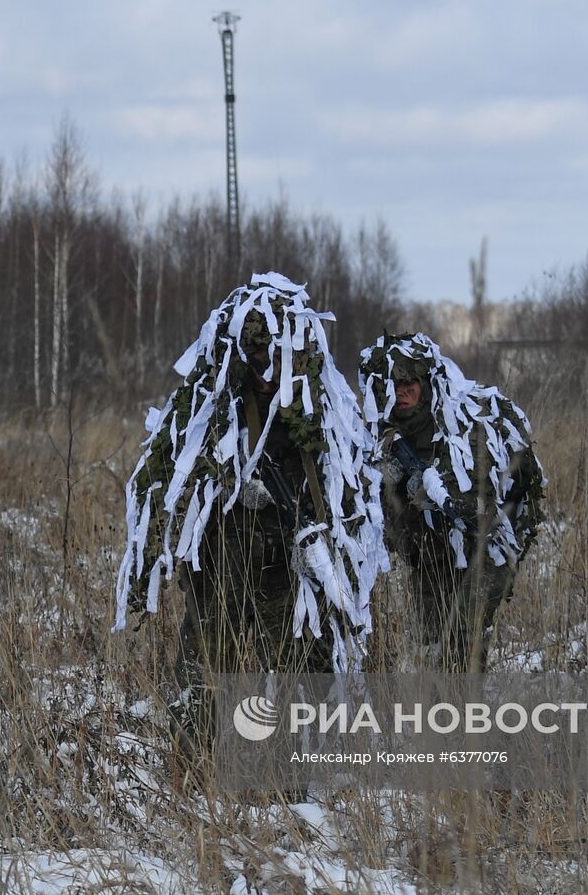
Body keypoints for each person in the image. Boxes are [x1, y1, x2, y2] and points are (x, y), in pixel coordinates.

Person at [114, 272, 387, 757]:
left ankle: (287, 775)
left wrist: (326, 545)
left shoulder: (322, 406)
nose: (266, 369)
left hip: (288, 558)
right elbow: (166, 475)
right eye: (256, 355)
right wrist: (230, 487)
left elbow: (350, 483)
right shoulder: (210, 401)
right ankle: (192, 764)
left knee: (299, 664)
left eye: (276, 356)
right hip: (221, 554)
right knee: (204, 660)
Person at [359, 333, 545, 671]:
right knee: (428, 650)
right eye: (392, 385)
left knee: (462, 647)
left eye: (409, 384)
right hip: (430, 557)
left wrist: (436, 490)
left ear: (426, 384)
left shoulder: (463, 429)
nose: (400, 393)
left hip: (485, 553)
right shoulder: (382, 433)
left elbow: (481, 510)